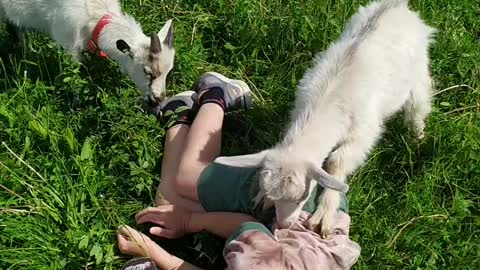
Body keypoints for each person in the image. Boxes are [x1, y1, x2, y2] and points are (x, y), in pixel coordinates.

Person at [117, 72, 361, 270]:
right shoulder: (256, 263)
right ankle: (216, 94)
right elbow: (244, 225)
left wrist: (160, 256)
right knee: (186, 178)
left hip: (287, 235)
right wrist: (188, 221)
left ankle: (179, 115)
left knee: (166, 204)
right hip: (298, 193)